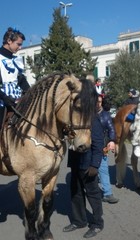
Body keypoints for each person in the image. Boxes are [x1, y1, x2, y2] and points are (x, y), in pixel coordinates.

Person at [63, 81, 104, 238]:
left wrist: (95, 165)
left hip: (88, 165)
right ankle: (79, 221)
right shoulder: (75, 119)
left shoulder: (92, 119)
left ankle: (97, 224)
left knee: (93, 194)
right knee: (76, 193)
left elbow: (99, 143)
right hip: (75, 163)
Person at [0, 27, 30, 127]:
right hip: (2, 102)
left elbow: (22, 81)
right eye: (18, 44)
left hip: (18, 102)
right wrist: (5, 98)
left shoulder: (17, 60)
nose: (20, 48)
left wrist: (31, 93)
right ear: (9, 41)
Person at [97, 94, 119, 203]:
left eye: (100, 101)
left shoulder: (106, 115)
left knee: (103, 169)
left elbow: (112, 129)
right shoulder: (87, 115)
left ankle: (107, 193)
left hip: (102, 147)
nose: (98, 103)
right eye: (96, 101)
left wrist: (111, 141)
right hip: (88, 147)